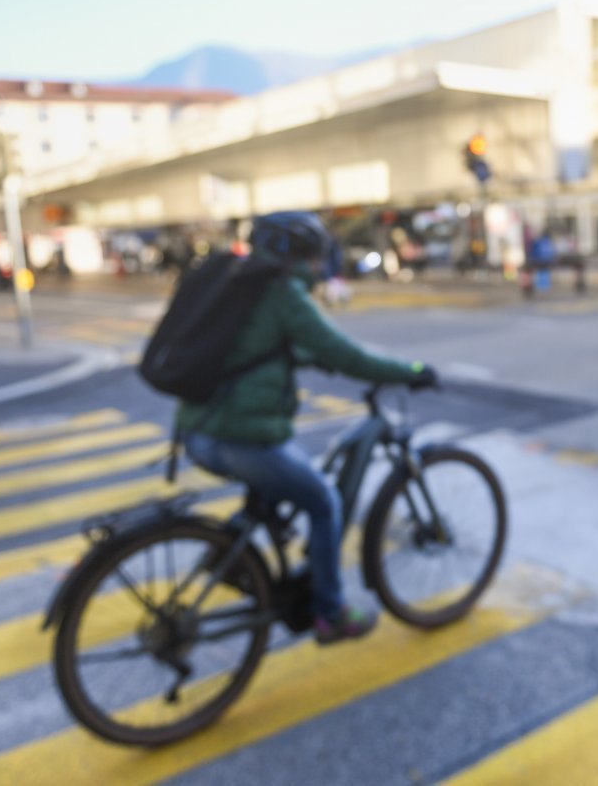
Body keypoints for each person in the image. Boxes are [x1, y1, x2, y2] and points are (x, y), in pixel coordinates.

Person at [178, 211, 437, 644]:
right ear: (300, 254)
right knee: (323, 502)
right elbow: (345, 354)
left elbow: (254, 348)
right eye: (316, 254)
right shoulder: (284, 294)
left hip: (197, 429)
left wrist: (303, 356)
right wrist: (409, 371)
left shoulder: (240, 284)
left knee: (277, 487)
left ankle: (223, 555)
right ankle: (331, 613)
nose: (320, 265)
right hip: (239, 437)